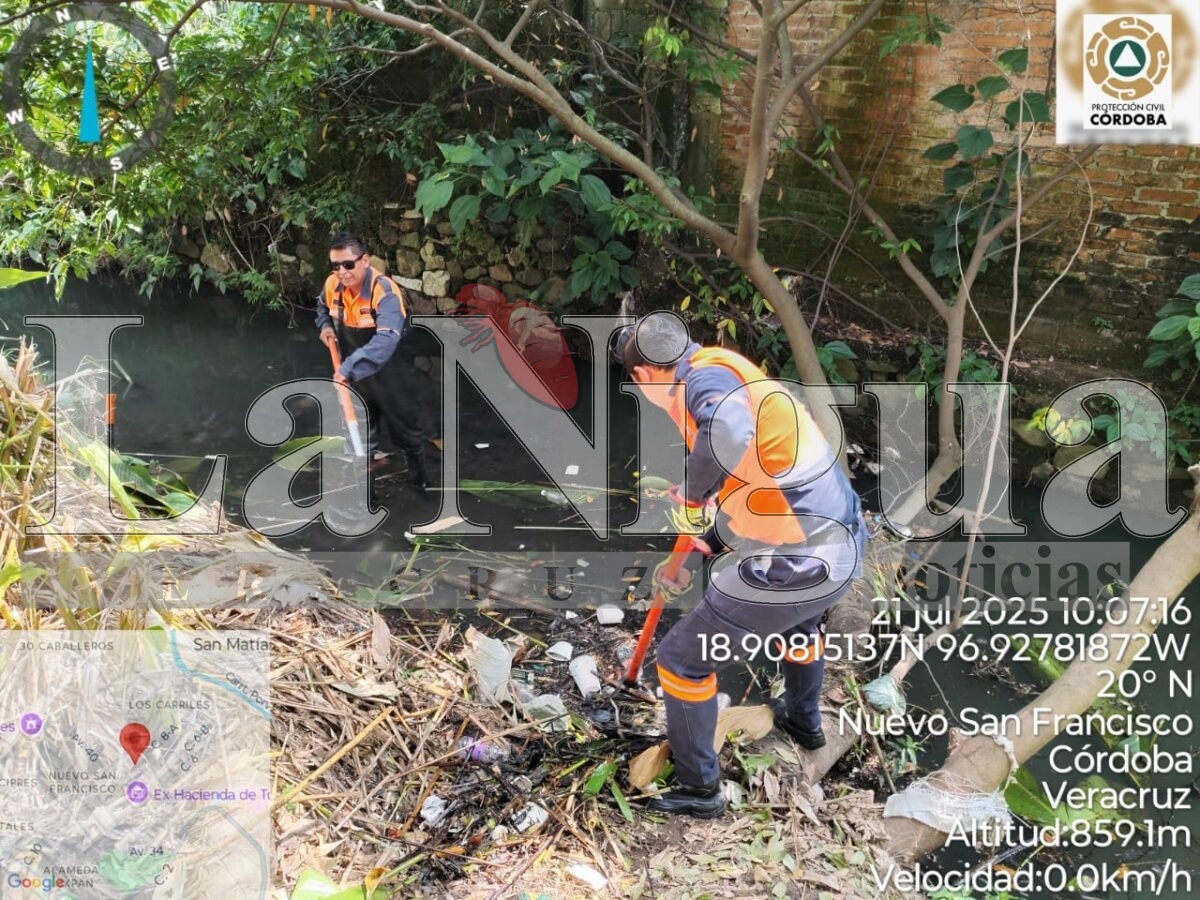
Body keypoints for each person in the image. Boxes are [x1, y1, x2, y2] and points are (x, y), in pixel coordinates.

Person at [617, 311, 868, 818]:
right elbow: (755, 478)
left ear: (643, 376)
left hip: (800, 560)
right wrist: (708, 536)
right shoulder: (726, 368)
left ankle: (700, 790)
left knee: (681, 661)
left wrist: (690, 495)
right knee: (799, 624)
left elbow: (727, 438)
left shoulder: (702, 383)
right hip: (841, 545)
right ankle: (804, 722)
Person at [315, 232, 430, 495]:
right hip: (355, 377)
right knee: (360, 437)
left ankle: (420, 484)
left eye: (348, 264)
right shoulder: (333, 285)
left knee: (407, 430)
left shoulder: (385, 292)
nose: (341, 272)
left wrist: (347, 369)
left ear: (364, 260)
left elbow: (386, 340)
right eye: (335, 266)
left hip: (392, 373)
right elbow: (320, 306)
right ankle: (367, 494)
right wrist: (324, 326)